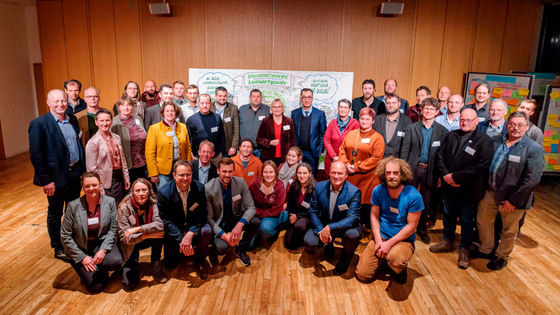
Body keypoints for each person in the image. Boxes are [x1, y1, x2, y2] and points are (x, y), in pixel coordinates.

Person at [474, 111, 544, 270]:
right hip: (490, 193)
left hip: (512, 199)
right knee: (483, 222)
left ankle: (501, 256)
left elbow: (532, 179)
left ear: (527, 127)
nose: (515, 128)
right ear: (506, 125)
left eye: (520, 125)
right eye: (512, 124)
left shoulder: (534, 149)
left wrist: (514, 200)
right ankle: (486, 249)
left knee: (509, 230)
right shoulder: (495, 141)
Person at [430, 108, 494, 269]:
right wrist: (446, 176)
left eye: (468, 120)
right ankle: (447, 240)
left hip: (468, 188)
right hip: (449, 186)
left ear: (476, 121)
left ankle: (464, 248)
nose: (464, 123)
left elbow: (480, 166)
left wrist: (455, 178)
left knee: (466, 219)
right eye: (462, 120)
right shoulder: (452, 135)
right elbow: (440, 156)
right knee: (448, 214)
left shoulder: (484, 141)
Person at [29, 89, 85, 262]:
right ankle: (58, 246)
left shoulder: (72, 119)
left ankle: (71, 241)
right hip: (55, 178)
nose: (61, 104)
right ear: (48, 103)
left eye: (63, 101)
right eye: (56, 101)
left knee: (73, 210)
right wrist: (46, 181)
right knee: (55, 213)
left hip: (74, 174)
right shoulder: (39, 124)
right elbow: (36, 155)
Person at [355, 157, 423, 284]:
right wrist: (379, 241)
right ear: (383, 174)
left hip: (403, 241)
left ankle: (398, 268)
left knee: (396, 261)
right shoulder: (378, 190)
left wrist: (389, 244)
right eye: (388, 173)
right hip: (381, 238)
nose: (392, 176)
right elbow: (374, 216)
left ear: (402, 174)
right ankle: (384, 261)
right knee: (362, 274)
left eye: (395, 173)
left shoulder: (413, 196)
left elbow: (412, 226)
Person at [60, 172, 122, 292]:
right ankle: (93, 268)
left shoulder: (109, 202)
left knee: (116, 262)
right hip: (80, 249)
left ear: (100, 185)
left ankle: (98, 265)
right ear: (82, 187)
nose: (91, 188)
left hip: (100, 244)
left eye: (94, 185)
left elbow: (113, 228)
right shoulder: (73, 206)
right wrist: (82, 257)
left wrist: (103, 250)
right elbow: (65, 235)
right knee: (96, 287)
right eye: (87, 186)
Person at [399, 97, 448, 244]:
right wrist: (402, 170)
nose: (428, 111)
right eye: (426, 108)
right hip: (412, 169)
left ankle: (421, 229)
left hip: (431, 171)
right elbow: (404, 152)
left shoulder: (443, 131)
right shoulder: (411, 128)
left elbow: (442, 156)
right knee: (406, 199)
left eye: (432, 109)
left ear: (437, 112)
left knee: (426, 203)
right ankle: (403, 227)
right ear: (421, 110)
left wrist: (440, 175)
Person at [304, 161, 362, 276]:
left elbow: (352, 218)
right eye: (333, 172)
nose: (336, 176)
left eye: (340, 173)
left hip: (346, 227)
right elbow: (313, 211)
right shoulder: (319, 187)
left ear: (346, 175)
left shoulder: (354, 192)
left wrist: (330, 228)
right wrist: (321, 230)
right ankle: (328, 245)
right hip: (325, 224)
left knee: (353, 235)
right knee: (309, 241)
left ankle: (346, 259)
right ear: (329, 173)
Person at [158, 160, 212, 279]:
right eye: (181, 175)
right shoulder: (164, 192)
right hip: (174, 229)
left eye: (188, 174)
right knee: (170, 264)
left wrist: (191, 232)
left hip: (193, 226)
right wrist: (182, 239)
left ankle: (199, 260)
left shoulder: (199, 188)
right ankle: (184, 249)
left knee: (206, 231)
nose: (185, 178)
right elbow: (165, 220)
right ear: (174, 175)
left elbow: (202, 213)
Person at [338, 107, 385, 245]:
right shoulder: (351, 134)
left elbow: (376, 158)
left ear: (373, 121)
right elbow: (342, 150)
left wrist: (357, 167)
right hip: (351, 177)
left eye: (368, 119)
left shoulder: (377, 137)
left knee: (366, 207)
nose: (364, 121)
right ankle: (350, 231)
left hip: (369, 178)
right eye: (362, 118)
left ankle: (369, 232)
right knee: (351, 206)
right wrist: (346, 165)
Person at [206, 158, 260, 266]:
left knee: (255, 222)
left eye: (230, 171)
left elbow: (251, 207)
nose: (227, 175)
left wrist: (240, 224)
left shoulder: (240, 183)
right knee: (222, 248)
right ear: (218, 171)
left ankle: (241, 249)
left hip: (235, 219)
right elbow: (209, 219)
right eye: (224, 171)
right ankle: (213, 251)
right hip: (220, 224)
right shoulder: (208, 188)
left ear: (234, 172)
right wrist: (224, 235)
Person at [117, 178, 166, 290]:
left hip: (144, 237)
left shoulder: (153, 203)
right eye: (137, 190)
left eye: (144, 190)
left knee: (160, 232)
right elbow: (125, 238)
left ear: (149, 191)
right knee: (130, 285)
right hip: (131, 244)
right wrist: (147, 235)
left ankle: (156, 263)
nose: (141, 194)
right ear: (132, 193)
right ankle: (131, 265)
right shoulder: (123, 207)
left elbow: (160, 225)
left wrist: (137, 229)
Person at [86, 108, 130, 204]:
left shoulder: (116, 137)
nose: (105, 123)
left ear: (111, 121)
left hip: (119, 178)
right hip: (106, 182)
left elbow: (123, 159)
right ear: (96, 122)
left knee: (121, 205)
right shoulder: (93, 142)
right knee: (110, 208)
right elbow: (91, 170)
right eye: (101, 121)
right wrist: (99, 188)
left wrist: (126, 178)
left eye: (107, 120)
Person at [145, 101, 191, 187]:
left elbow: (188, 148)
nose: (170, 113)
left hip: (180, 169)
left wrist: (188, 166)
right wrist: (153, 173)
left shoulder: (183, 127)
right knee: (165, 196)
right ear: (162, 113)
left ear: (176, 112)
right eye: (167, 111)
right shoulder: (154, 129)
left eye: (172, 111)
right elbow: (149, 154)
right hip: (162, 172)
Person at [111, 96, 149, 184]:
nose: (126, 108)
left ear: (133, 106)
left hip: (143, 162)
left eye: (129, 105)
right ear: (119, 107)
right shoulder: (114, 122)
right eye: (123, 105)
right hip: (128, 165)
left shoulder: (137, 118)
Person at [249, 161, 288, 242]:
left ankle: (277, 228)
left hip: (273, 215)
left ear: (276, 173)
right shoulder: (255, 184)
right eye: (265, 172)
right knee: (250, 246)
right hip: (257, 213)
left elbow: (276, 211)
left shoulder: (280, 186)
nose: (268, 175)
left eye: (271, 172)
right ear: (262, 173)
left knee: (265, 229)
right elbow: (249, 202)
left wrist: (258, 212)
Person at [291, 89, 327, 175]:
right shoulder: (295, 113)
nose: (307, 100)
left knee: (312, 178)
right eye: (304, 97)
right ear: (301, 98)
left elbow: (324, 132)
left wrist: (320, 149)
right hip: (298, 152)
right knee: (297, 177)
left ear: (312, 98)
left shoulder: (319, 114)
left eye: (309, 97)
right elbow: (292, 132)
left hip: (313, 152)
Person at [284, 163, 316, 250]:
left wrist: (297, 216)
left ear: (309, 174)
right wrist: (291, 215)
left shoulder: (315, 189)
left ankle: (307, 235)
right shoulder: (294, 186)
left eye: (305, 173)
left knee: (300, 225)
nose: (302, 176)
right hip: (295, 216)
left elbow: (314, 210)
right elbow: (290, 204)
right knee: (289, 244)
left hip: (309, 217)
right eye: (299, 173)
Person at [324, 99, 360, 175]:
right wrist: (333, 156)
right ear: (338, 108)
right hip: (332, 161)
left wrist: (342, 158)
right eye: (341, 107)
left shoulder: (355, 124)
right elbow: (326, 141)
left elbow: (356, 143)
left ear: (349, 110)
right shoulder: (332, 122)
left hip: (347, 161)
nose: (343, 109)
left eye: (346, 107)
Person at [187, 93, 226, 163]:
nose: (205, 106)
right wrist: (190, 153)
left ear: (211, 104)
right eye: (202, 103)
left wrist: (222, 152)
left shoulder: (217, 117)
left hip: (216, 157)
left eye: (207, 103)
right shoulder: (191, 120)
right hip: (198, 157)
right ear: (198, 104)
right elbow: (187, 140)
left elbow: (222, 136)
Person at [256, 98, 296, 165]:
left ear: (282, 108)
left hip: (285, 158)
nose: (277, 109)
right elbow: (259, 139)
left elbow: (293, 140)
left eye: (279, 107)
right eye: (274, 107)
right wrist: (270, 142)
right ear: (271, 109)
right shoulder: (266, 121)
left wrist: (290, 154)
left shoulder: (289, 121)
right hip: (268, 157)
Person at [239, 89, 270, 158]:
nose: (256, 99)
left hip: (261, 150)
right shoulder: (242, 109)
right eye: (254, 96)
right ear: (250, 98)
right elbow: (236, 128)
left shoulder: (267, 110)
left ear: (261, 98)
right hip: (245, 149)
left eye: (258, 97)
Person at [211, 86, 240, 157]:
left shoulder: (233, 108)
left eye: (225, 96)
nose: (222, 98)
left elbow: (236, 128)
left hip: (228, 146)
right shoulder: (210, 107)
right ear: (215, 96)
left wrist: (234, 146)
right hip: (213, 146)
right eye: (220, 96)